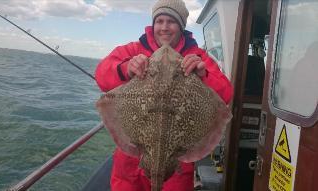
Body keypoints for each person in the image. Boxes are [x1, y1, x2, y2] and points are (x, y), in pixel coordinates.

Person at [95, 0, 233, 190]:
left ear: (181, 26)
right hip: (131, 161)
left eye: (171, 21)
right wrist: (126, 68)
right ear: (153, 25)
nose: (164, 27)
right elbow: (102, 75)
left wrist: (204, 75)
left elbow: (226, 93)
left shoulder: (196, 56)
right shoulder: (133, 50)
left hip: (176, 162)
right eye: (160, 21)